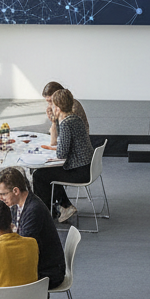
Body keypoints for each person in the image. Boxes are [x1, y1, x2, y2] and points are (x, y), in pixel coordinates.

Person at [0, 166, 66, 288]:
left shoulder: (33, 210)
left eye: (3, 194)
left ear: (16, 191)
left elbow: (22, 250)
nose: (1, 198)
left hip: (49, 272)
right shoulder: (18, 205)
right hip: (40, 264)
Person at [32, 87, 93, 224]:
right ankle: (63, 206)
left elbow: (61, 153)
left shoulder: (66, 123)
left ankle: (45, 214)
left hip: (79, 172)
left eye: (52, 104)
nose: (50, 107)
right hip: (88, 167)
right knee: (49, 173)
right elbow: (60, 144)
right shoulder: (75, 119)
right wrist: (54, 122)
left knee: (39, 175)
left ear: (58, 107)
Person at [42, 80, 89, 146]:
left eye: (51, 101)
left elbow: (65, 129)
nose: (50, 105)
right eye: (48, 101)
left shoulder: (71, 106)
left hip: (77, 143)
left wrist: (54, 120)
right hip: (65, 138)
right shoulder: (54, 107)